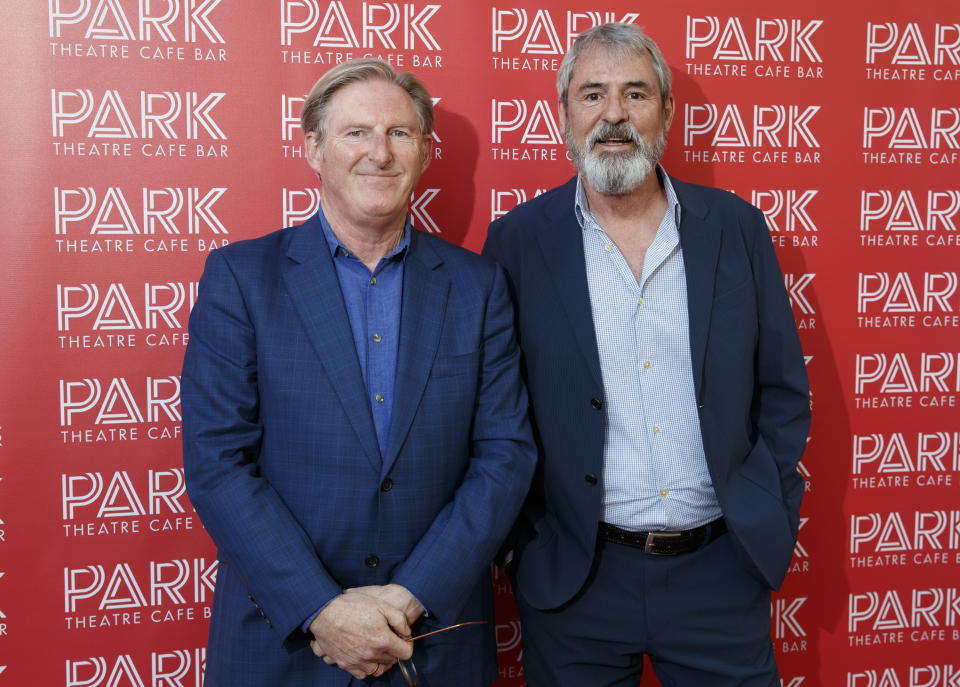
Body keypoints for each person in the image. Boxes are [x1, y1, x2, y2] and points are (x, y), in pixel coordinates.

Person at [181, 58, 536, 686]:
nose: (380, 152)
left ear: (425, 153)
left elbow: (504, 455)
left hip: (431, 641)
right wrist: (322, 609)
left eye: (400, 133)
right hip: (285, 642)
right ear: (313, 148)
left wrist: (409, 596)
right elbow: (218, 462)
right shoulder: (240, 279)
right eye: (356, 133)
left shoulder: (478, 287)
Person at [483, 22, 811, 686]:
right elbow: (494, 411)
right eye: (592, 94)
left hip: (720, 573)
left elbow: (782, 390)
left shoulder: (736, 227)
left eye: (635, 93)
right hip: (576, 579)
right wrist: (523, 549)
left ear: (665, 110)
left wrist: (765, 507)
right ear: (564, 114)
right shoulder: (516, 242)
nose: (613, 115)